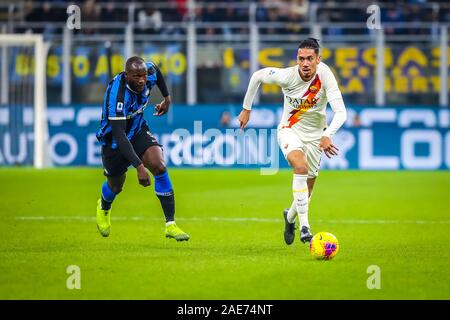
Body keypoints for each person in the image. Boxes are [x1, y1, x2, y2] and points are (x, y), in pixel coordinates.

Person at [238, 38, 347, 245]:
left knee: (308, 187)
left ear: (318, 59)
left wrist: (328, 134)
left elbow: (341, 113)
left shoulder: (325, 76)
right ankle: (305, 227)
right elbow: (257, 76)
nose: (305, 63)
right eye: (301, 59)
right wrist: (247, 108)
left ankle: (289, 218)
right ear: (297, 59)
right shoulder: (287, 76)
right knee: (300, 167)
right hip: (289, 130)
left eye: (309, 59)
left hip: (316, 135)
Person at [95, 56, 189, 241]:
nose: (141, 80)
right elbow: (120, 135)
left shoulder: (149, 72)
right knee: (116, 185)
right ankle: (104, 207)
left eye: (143, 76)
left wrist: (167, 98)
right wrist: (139, 167)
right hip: (114, 141)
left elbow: (156, 70)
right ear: (126, 75)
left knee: (159, 165)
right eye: (136, 76)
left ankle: (170, 225)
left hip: (137, 130)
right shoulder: (118, 95)